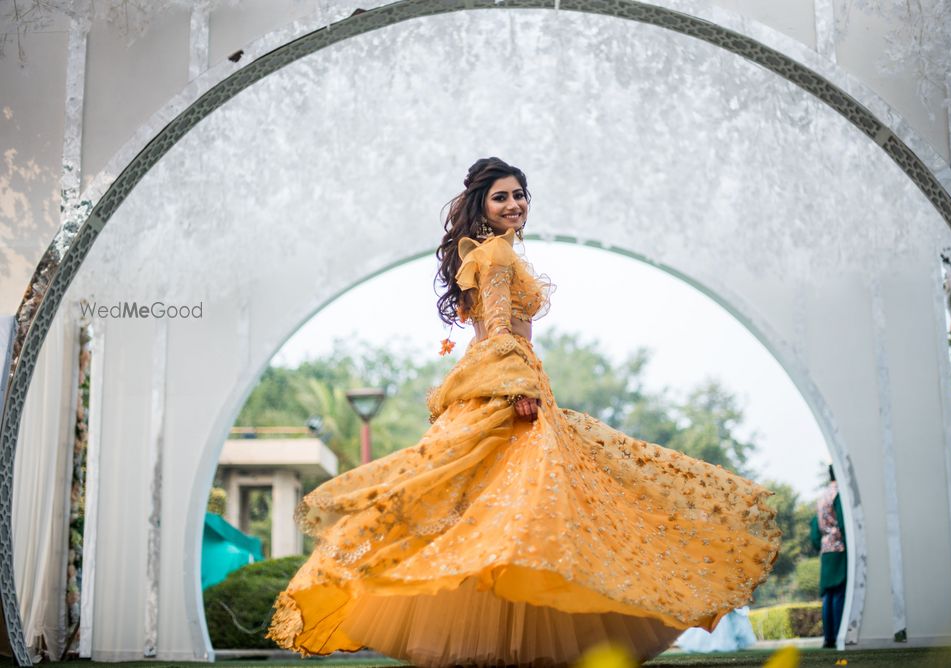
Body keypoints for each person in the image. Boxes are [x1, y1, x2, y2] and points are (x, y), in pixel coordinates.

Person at [267, 157, 782, 666]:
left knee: (508, 514)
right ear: (482, 205)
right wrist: (519, 389)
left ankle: (506, 642)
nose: (513, 204)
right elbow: (496, 330)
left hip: (514, 383)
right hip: (509, 389)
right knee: (522, 511)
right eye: (501, 197)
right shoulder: (493, 256)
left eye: (519, 195)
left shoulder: (494, 252)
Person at [810, 465, 847, 649]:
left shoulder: (823, 496)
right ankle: (840, 633)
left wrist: (820, 544)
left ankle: (829, 637)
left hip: (826, 550)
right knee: (840, 593)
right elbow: (844, 520)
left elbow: (814, 527)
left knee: (828, 595)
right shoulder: (839, 494)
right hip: (840, 548)